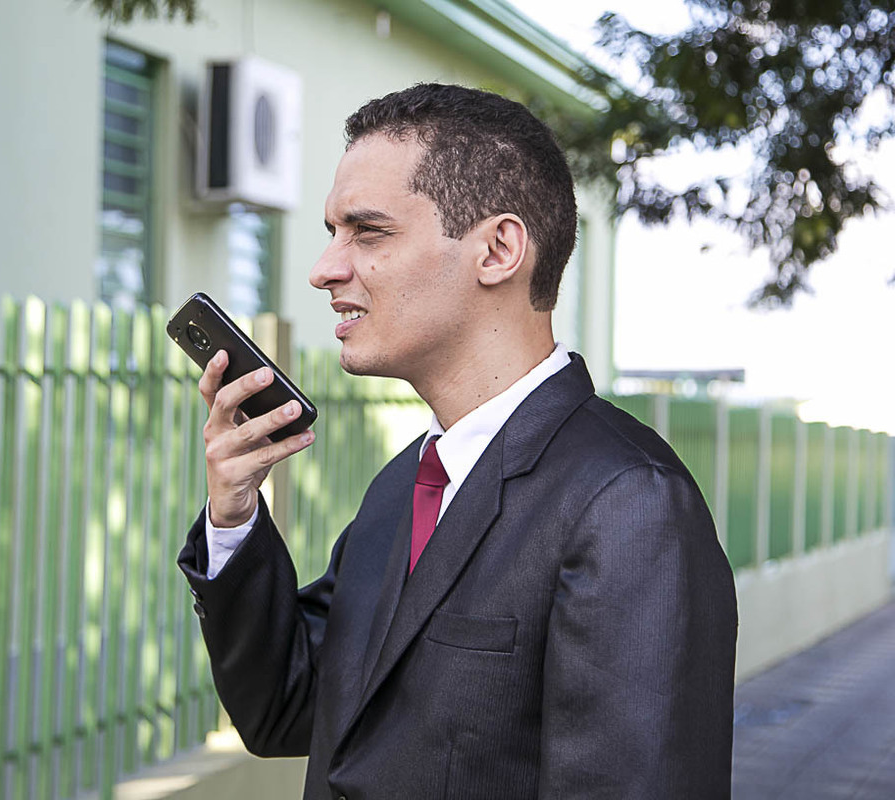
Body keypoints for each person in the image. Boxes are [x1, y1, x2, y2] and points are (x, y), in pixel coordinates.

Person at [178, 83, 737, 799]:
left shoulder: (630, 503)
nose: (325, 270)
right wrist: (233, 518)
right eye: (330, 232)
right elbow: (287, 709)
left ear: (499, 249)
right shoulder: (400, 488)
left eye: (368, 231)